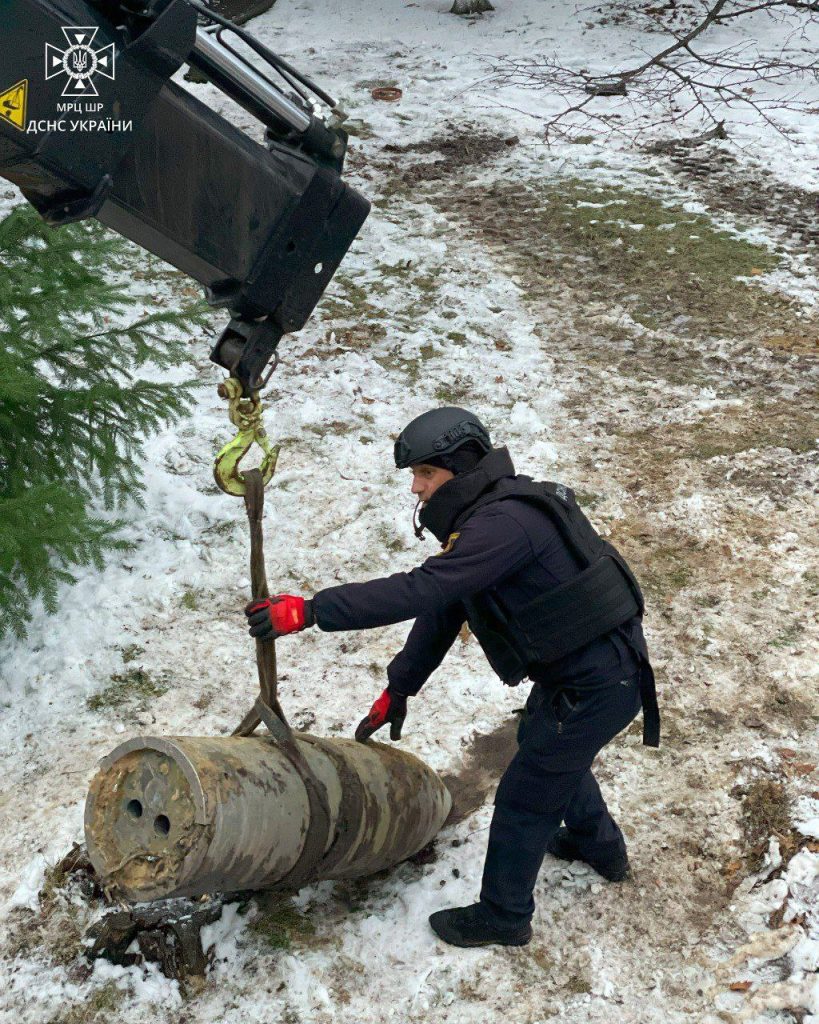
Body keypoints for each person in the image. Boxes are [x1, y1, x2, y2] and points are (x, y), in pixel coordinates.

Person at [245, 407, 660, 948]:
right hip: (586, 675)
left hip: (598, 683)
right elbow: (445, 608)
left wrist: (312, 610)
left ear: (460, 468)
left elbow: (419, 590)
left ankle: (505, 915)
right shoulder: (490, 518)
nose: (417, 490)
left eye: (425, 474)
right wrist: (399, 687)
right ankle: (598, 846)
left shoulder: (504, 527)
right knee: (548, 748)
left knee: (526, 797)